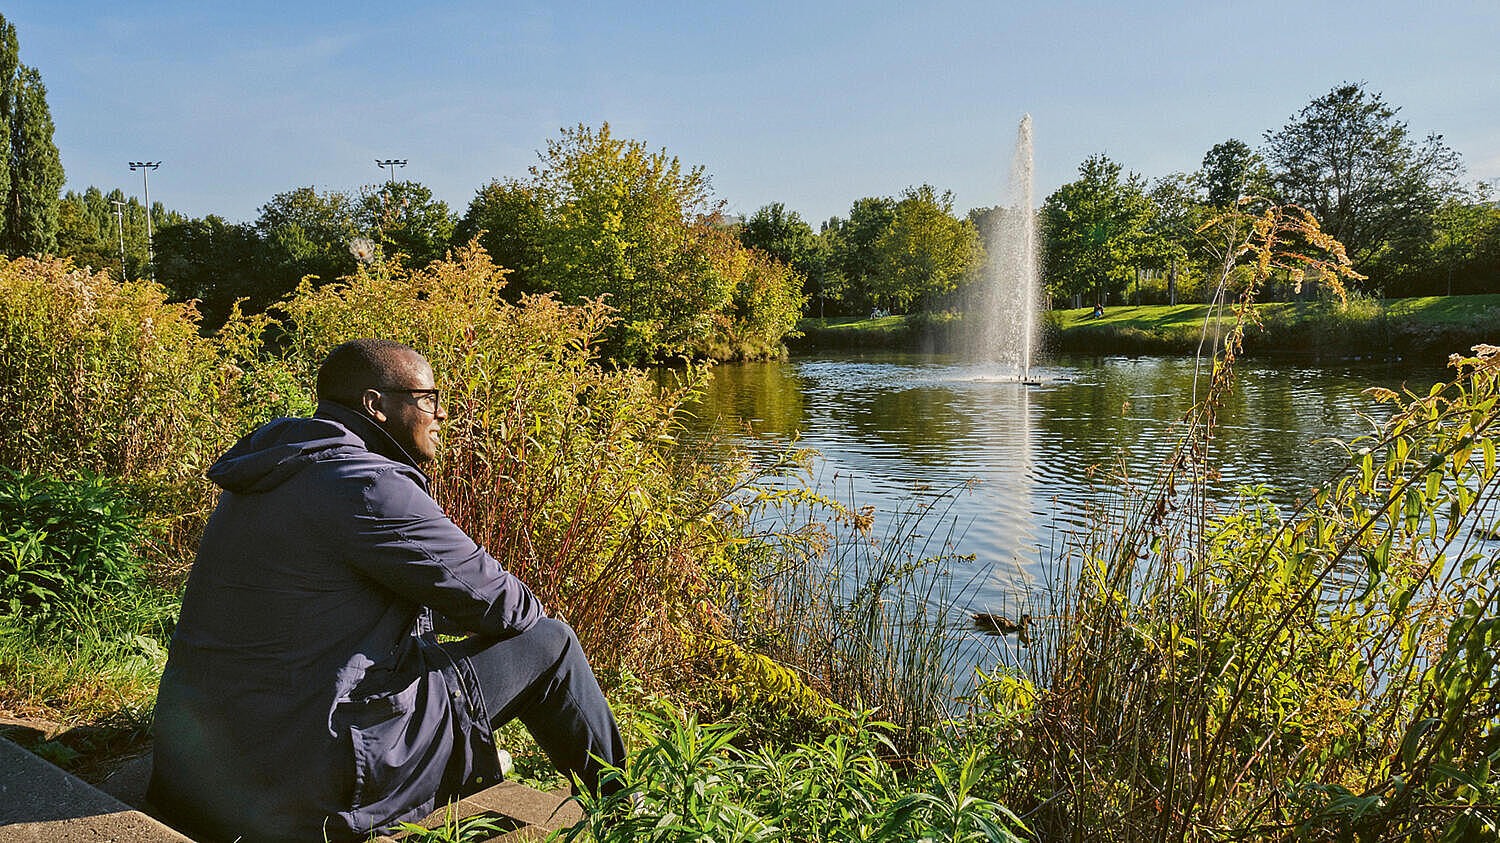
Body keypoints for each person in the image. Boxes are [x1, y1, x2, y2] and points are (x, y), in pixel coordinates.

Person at [147, 339, 625, 842]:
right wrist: (438, 605)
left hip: (203, 768)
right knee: (550, 643)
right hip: (304, 787)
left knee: (423, 646)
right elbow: (507, 607)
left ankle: (472, 761)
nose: (442, 415)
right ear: (376, 406)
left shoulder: (272, 469)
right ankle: (628, 811)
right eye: (427, 399)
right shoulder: (368, 484)